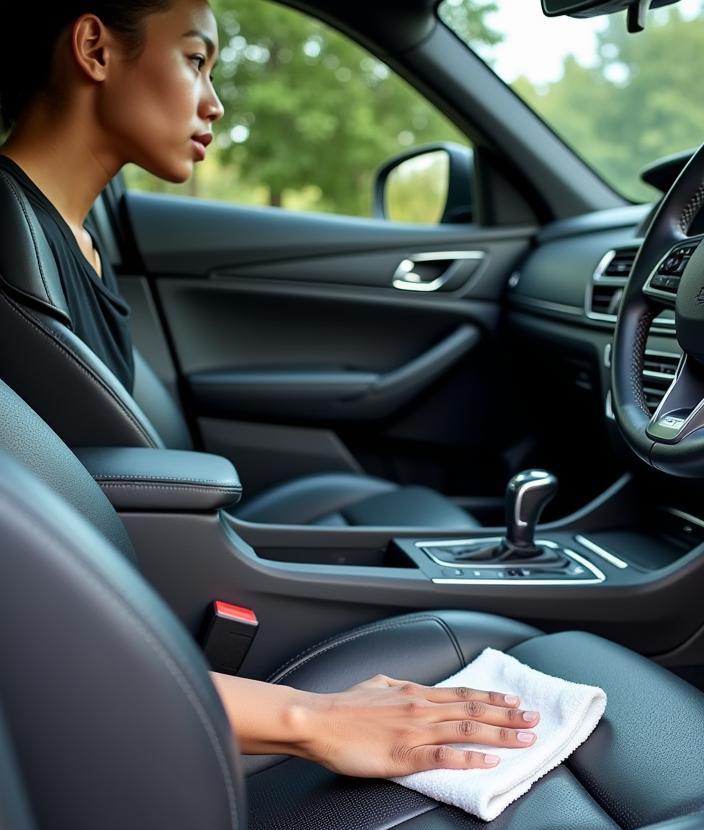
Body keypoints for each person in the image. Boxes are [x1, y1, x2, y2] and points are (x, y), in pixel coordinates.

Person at [0, 0, 540, 776]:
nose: (215, 102)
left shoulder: (73, 230)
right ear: (94, 47)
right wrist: (309, 718)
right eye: (195, 61)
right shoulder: (13, 238)